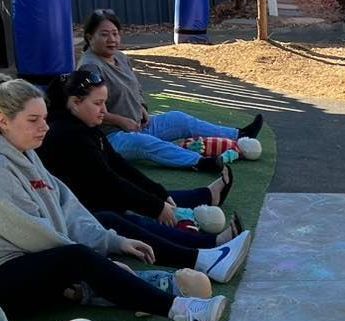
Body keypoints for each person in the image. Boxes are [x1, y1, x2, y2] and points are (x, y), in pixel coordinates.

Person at [0, 79, 230, 321]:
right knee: (78, 257)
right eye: (34, 120)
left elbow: (68, 208)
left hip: (34, 261)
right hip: (7, 285)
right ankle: (183, 310)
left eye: (44, 118)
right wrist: (99, 261)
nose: (45, 126)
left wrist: (113, 242)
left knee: (103, 225)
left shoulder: (27, 153)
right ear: (3, 121)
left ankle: (203, 257)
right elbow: (34, 233)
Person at [39, 69, 243, 252]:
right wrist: (156, 208)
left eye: (104, 103)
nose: (104, 110)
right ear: (75, 103)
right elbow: (109, 183)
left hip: (90, 198)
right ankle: (209, 245)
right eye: (98, 103)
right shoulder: (68, 135)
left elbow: (118, 164)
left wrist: (158, 194)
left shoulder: (84, 125)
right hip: (73, 213)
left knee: (139, 201)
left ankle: (205, 197)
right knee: (123, 220)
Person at [79, 9, 263, 170]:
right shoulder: (90, 67)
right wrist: (120, 121)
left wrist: (141, 106)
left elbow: (136, 87)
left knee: (179, 119)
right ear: (89, 37)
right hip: (113, 137)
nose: (112, 39)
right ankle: (200, 162)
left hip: (139, 125)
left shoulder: (120, 57)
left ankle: (240, 135)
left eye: (115, 33)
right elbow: (89, 108)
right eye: (104, 34)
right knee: (148, 144)